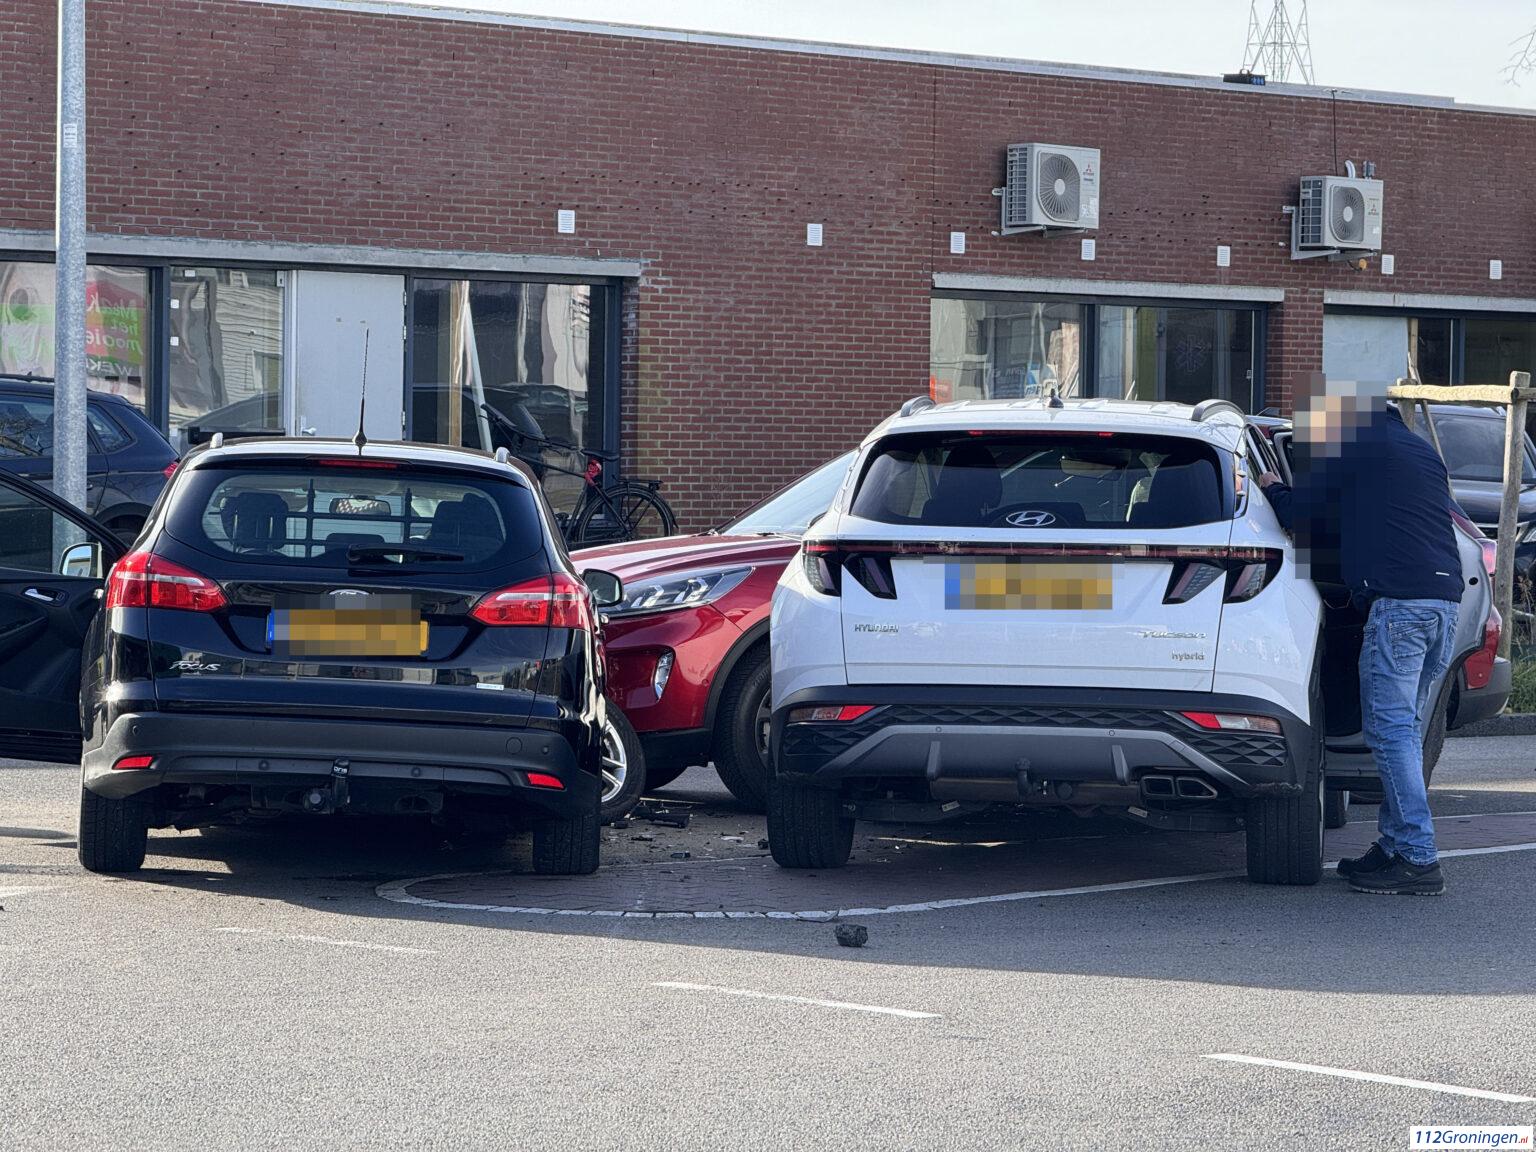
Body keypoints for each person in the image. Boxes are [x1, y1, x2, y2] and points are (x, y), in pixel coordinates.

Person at [1259, 377, 1462, 896]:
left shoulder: (1353, 448)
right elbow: (1386, 525)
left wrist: (1269, 486)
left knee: (1391, 735)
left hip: (1399, 610)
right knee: (1405, 735)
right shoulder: (1418, 452)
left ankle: (1418, 856)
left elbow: (1302, 516)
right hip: (1443, 605)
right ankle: (1393, 848)